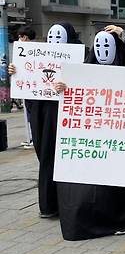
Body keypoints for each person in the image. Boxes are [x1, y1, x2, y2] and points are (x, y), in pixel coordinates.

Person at [54, 26, 125, 240]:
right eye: (99, 46)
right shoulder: (82, 73)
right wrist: (61, 88)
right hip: (90, 140)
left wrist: (124, 34)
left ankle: (120, 218)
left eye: (108, 45)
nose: (103, 50)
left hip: (119, 139)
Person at [8, 23, 83, 218]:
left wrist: (70, 85)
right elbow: (30, 83)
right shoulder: (37, 55)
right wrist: (17, 72)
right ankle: (49, 204)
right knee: (46, 157)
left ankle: (66, 203)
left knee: (63, 159)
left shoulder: (80, 56)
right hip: (43, 113)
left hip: (66, 116)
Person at [17, 26, 36, 149]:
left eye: (20, 37)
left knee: (34, 115)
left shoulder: (36, 50)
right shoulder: (21, 51)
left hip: (35, 90)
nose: (19, 39)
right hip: (27, 89)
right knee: (29, 115)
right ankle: (32, 138)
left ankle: (35, 138)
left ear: (25, 37)